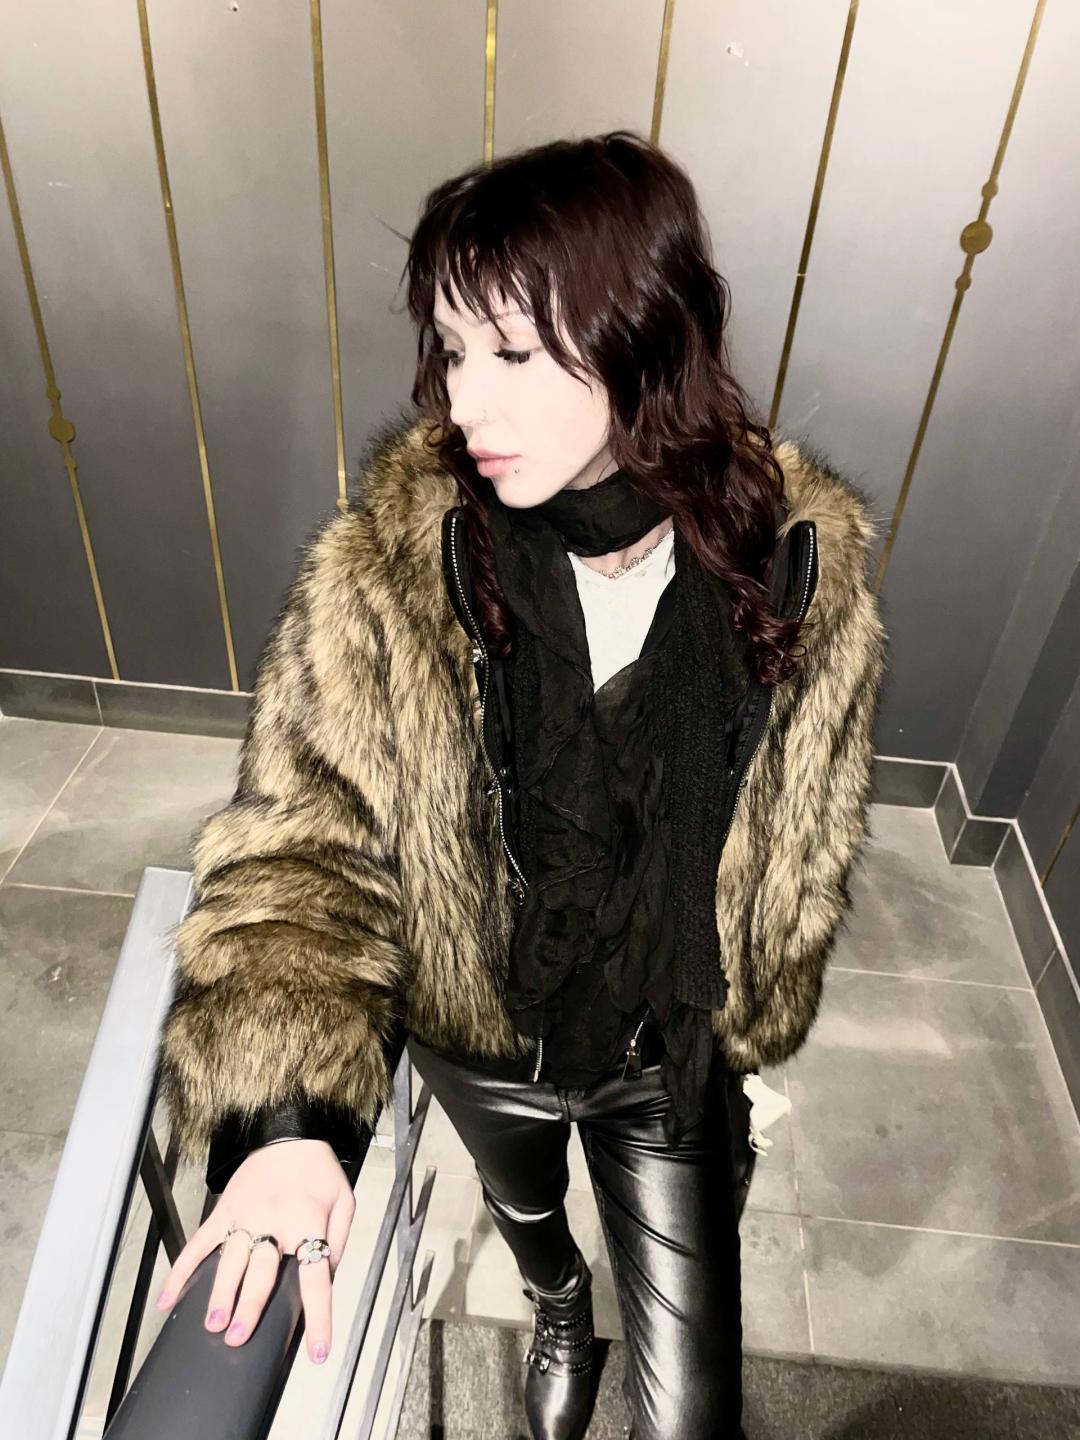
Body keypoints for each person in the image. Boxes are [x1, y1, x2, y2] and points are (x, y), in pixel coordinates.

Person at [152, 130, 887, 1439]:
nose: (462, 406)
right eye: (449, 350)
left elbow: (796, 846)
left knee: (693, 1415)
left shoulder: (794, 574)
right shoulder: (392, 570)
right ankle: (556, 1299)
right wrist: (284, 1123)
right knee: (529, 1207)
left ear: (641, 339)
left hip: (662, 1056)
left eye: (512, 354)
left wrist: (739, 1021)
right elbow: (301, 851)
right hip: (485, 1042)